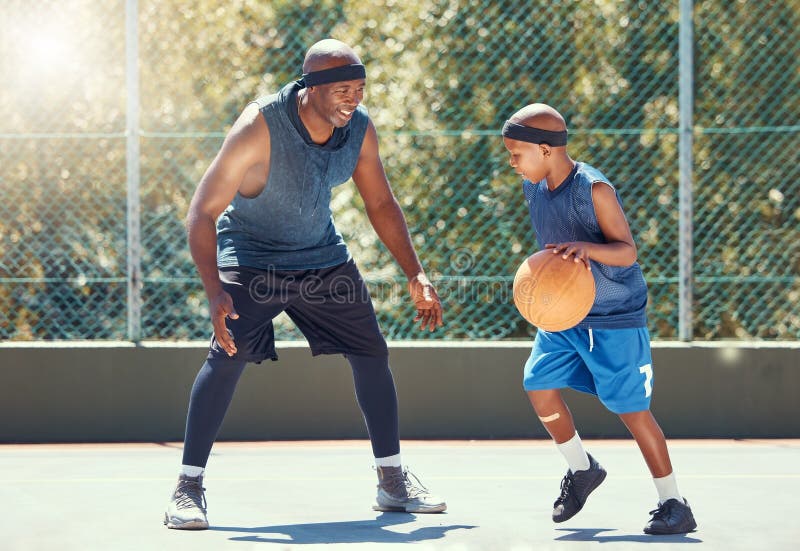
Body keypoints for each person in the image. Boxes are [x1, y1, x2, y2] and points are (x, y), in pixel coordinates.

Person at [164, 38, 446, 530]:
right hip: (252, 255)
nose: (354, 99)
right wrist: (214, 289)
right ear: (310, 88)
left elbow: (381, 204)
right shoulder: (260, 126)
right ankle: (187, 488)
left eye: (359, 88)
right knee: (228, 352)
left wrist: (414, 273)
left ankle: (391, 481)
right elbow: (203, 210)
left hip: (321, 257)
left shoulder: (357, 130)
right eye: (343, 89)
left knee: (372, 352)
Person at [501, 103, 697, 535]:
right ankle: (583, 469)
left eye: (517, 154)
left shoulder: (593, 189)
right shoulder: (534, 188)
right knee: (538, 387)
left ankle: (674, 503)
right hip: (564, 317)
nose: (512, 162)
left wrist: (587, 249)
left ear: (546, 149)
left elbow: (627, 250)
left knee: (632, 412)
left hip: (613, 319)